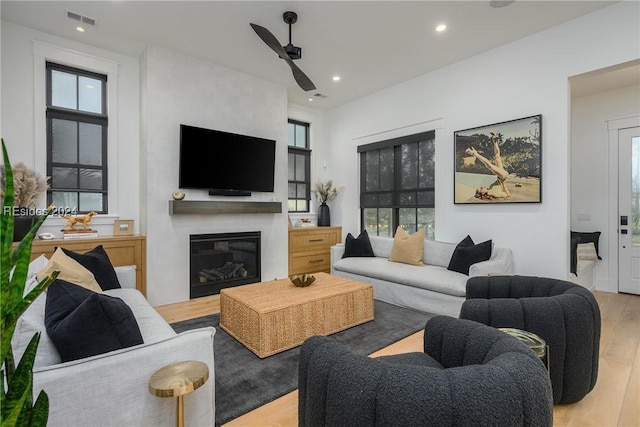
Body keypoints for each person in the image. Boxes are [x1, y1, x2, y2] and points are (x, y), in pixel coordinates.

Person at [465, 131, 510, 199]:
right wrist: (504, 185)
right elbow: (507, 194)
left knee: (497, 156)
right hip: (502, 177)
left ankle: (495, 140)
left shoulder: (490, 190)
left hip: (501, 177)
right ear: (482, 193)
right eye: (481, 188)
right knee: (489, 165)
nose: (482, 186)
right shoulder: (492, 193)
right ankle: (474, 154)